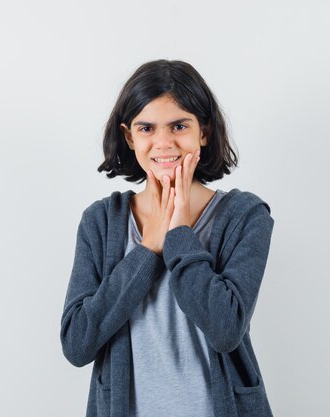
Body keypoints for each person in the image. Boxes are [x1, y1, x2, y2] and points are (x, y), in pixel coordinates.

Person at [60, 59, 275, 417]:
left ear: (203, 131)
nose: (163, 143)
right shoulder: (100, 222)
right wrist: (147, 250)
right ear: (129, 136)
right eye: (146, 128)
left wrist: (177, 235)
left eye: (179, 125)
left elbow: (225, 329)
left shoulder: (244, 216)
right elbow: (77, 344)